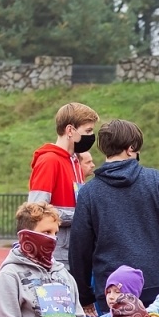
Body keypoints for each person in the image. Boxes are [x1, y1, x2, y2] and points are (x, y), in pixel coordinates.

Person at [70, 119, 159, 309]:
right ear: (131, 148)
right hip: (157, 282)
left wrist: (85, 295)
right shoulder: (155, 180)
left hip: (111, 289)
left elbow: (79, 247)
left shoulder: (89, 192)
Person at [28, 102, 99, 267]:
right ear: (70, 130)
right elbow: (36, 210)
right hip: (55, 254)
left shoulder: (74, 161)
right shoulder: (49, 161)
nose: (91, 136)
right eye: (88, 131)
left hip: (73, 250)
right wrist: (81, 216)